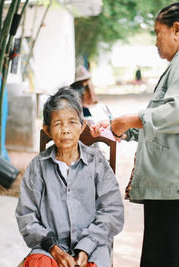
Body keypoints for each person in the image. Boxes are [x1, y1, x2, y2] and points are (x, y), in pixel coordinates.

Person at [91, 2, 179, 267]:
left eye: (157, 32)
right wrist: (123, 128)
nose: (155, 41)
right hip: (178, 188)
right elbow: (165, 124)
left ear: (176, 30)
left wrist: (131, 119)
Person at [16, 87, 124, 267]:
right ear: (48, 130)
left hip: (93, 248)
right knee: (37, 263)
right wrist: (53, 248)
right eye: (58, 124)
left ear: (82, 126)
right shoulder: (38, 166)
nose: (65, 130)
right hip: (49, 248)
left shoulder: (97, 163)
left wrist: (86, 247)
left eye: (72, 122)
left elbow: (113, 211)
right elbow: (26, 215)